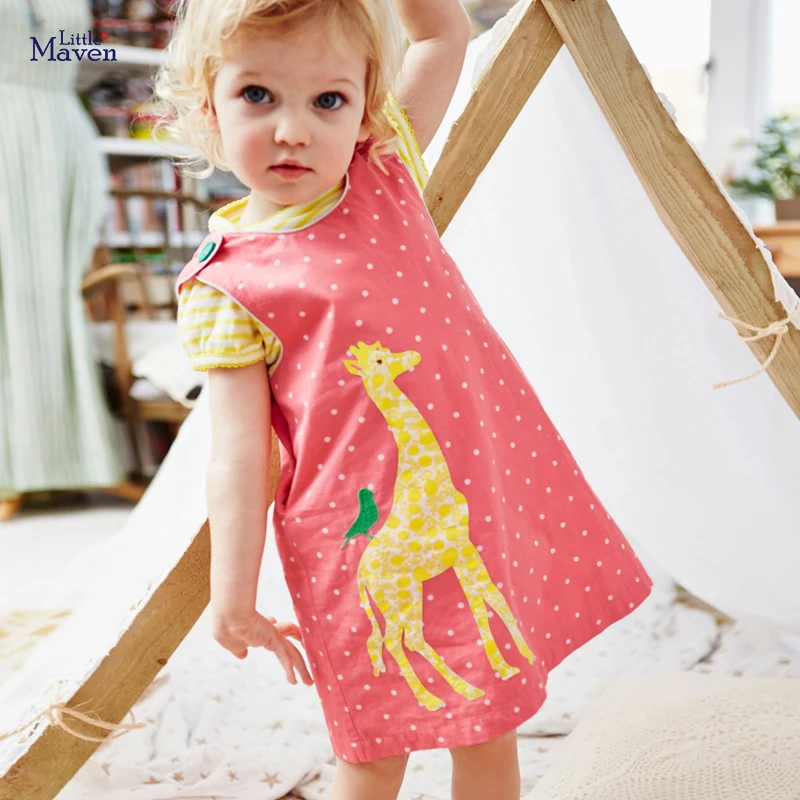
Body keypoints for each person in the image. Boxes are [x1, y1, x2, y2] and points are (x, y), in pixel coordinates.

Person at [155, 1, 653, 797]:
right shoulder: (226, 282)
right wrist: (233, 596)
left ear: (365, 112)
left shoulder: (384, 173)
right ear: (208, 106)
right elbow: (240, 455)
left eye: (328, 100)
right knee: (375, 741)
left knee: (488, 721)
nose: (293, 130)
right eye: (257, 95)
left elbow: (441, 32)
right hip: (355, 536)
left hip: (470, 502)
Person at [0, 0, 124, 519]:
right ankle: (15, 465)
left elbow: (63, 57)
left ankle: (71, 455)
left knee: (59, 292)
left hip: (60, 130)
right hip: (7, 128)